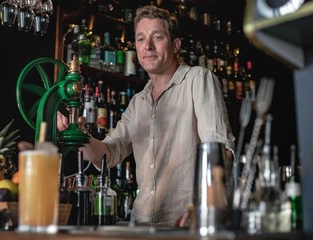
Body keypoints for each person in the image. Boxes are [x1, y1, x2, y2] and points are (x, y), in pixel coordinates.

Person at [57, 5, 235, 226]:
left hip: (185, 223)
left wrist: (202, 207)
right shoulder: (138, 102)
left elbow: (219, 150)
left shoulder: (198, 80)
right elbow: (109, 154)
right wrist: (77, 134)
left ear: (176, 45)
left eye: (157, 37)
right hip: (141, 225)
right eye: (141, 39)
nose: (148, 46)